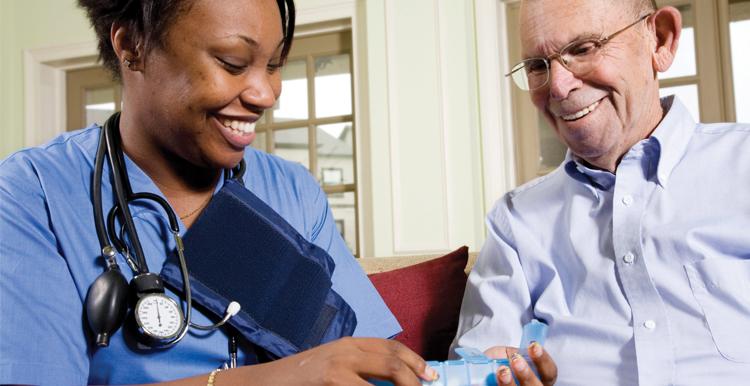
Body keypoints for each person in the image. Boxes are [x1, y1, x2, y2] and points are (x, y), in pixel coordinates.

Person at [0, 1, 439, 384]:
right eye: (232, 62)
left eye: (273, 64)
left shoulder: (291, 190)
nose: (266, 94)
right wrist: (277, 379)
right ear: (132, 45)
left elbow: (362, 357)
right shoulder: (33, 195)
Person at [452, 0, 750, 385]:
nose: (558, 86)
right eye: (538, 66)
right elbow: (478, 363)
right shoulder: (516, 221)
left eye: (583, 49)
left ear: (659, 40)